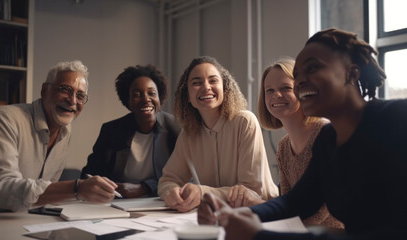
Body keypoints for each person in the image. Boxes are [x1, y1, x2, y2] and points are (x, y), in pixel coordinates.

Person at [198, 28, 407, 240]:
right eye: (297, 75)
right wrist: (237, 214)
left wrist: (259, 235)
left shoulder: (395, 119)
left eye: (313, 68)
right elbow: (296, 202)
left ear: (351, 74)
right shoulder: (328, 139)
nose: (300, 81)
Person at [0, 60, 119, 213]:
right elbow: (0, 190)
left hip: (29, 221)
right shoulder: (4, 119)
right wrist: (77, 188)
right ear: (44, 91)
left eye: (80, 95)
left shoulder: (65, 130)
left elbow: (45, 193)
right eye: (65, 90)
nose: (72, 101)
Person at [158, 56, 278, 212]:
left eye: (213, 80)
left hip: (263, 213)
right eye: (196, 83)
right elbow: (168, 179)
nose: (206, 87)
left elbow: (251, 191)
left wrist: (202, 192)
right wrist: (171, 192)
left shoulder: (245, 122)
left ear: (225, 88)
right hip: (219, 214)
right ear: (187, 95)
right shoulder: (188, 134)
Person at [255, 57, 343, 228]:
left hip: (338, 232)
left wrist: (282, 225)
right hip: (305, 231)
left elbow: (324, 207)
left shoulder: (325, 133)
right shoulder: (283, 147)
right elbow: (289, 204)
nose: (276, 95)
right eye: (269, 90)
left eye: (286, 88)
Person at [81, 64, 180, 198]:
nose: (146, 99)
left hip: (161, 202)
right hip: (116, 204)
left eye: (151, 93)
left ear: (159, 97)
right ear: (129, 101)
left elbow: (186, 178)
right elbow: (89, 176)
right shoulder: (111, 131)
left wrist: (144, 188)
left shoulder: (176, 129)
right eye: (137, 94)